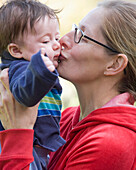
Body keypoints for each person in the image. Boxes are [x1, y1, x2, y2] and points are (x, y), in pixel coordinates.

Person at [0, 0, 136, 169]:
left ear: (114, 65)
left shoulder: (111, 143)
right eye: (74, 28)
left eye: (81, 36)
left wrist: (17, 133)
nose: (62, 41)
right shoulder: (63, 120)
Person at [0, 0, 65, 169]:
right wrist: (40, 70)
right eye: (45, 41)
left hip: (34, 144)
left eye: (56, 38)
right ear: (16, 51)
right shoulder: (20, 69)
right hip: (23, 144)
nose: (57, 45)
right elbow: (25, 95)